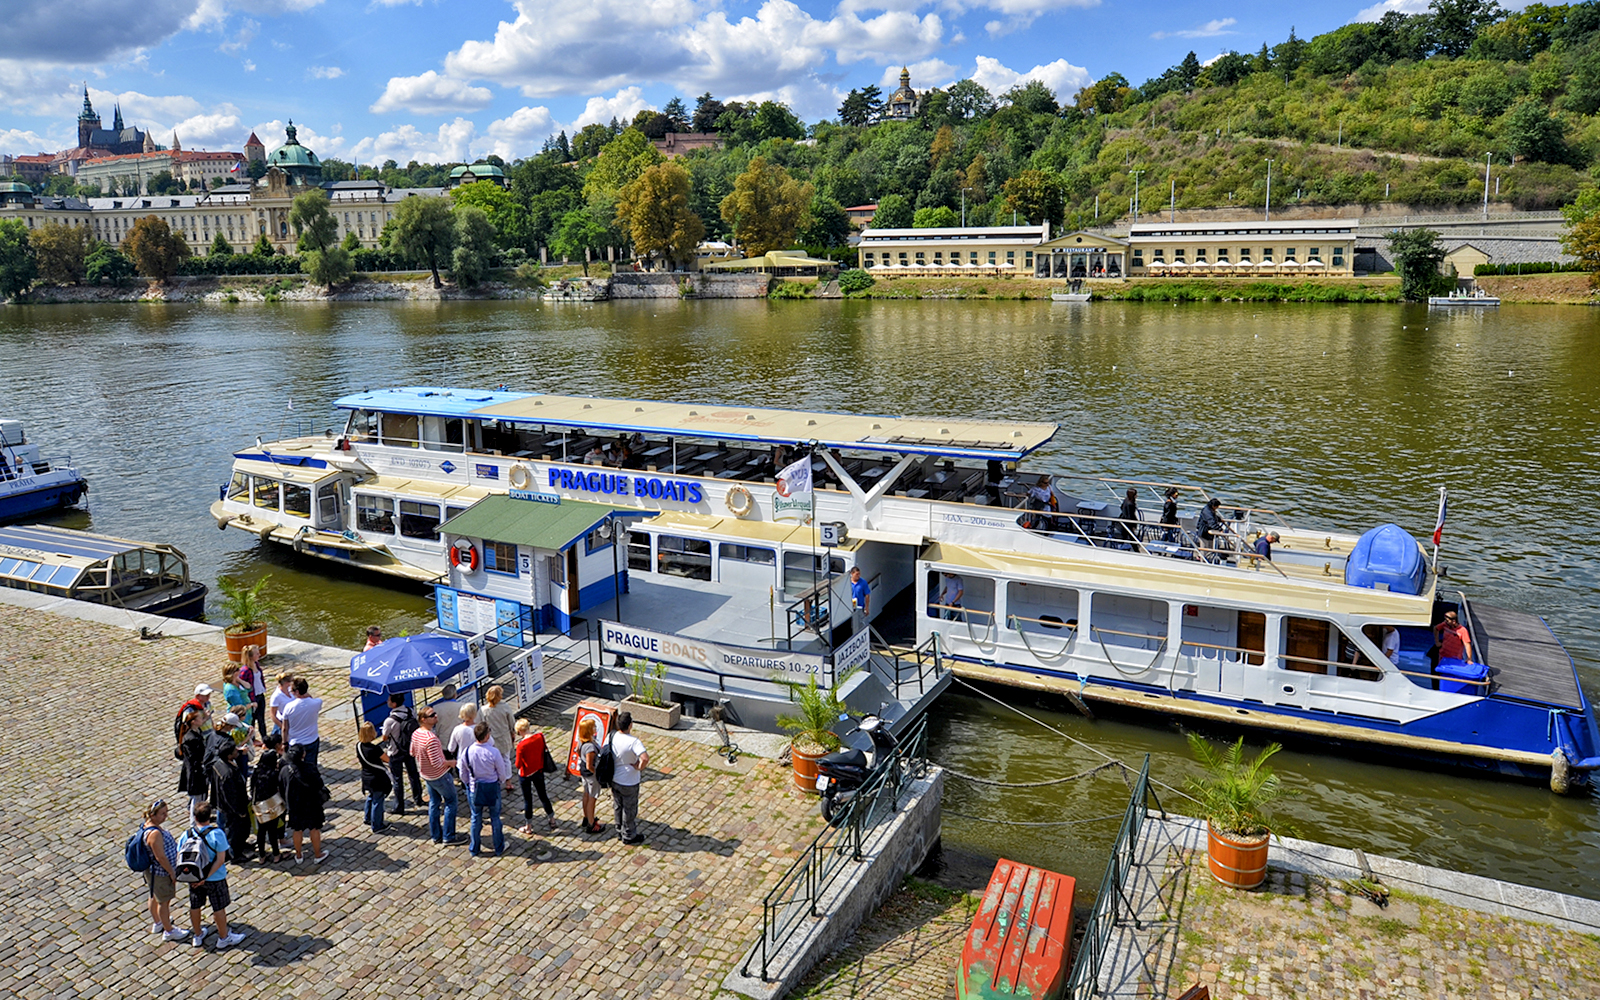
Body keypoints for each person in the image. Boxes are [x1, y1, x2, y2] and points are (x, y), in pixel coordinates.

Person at [182, 801, 245, 950]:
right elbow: (220, 860)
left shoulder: (186, 834)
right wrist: (206, 876)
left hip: (194, 878)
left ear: (195, 817)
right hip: (215, 878)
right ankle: (224, 937)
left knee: (195, 905)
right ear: (209, 817)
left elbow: (181, 856)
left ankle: (197, 935)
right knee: (218, 908)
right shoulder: (217, 834)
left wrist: (197, 878)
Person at [137, 800, 188, 941]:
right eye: (162, 814)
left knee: (154, 895)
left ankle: (158, 922)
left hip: (153, 872)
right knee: (164, 902)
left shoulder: (146, 826)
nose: (166, 816)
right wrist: (171, 872)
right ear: (153, 815)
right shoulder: (155, 834)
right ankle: (169, 930)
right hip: (161, 872)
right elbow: (160, 857)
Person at [412, 704, 460, 844]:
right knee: (451, 802)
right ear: (423, 719)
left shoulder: (416, 733)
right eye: (432, 715)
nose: (435, 716)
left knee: (434, 803)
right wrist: (451, 763)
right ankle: (449, 836)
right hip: (439, 776)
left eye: (435, 714)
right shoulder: (431, 739)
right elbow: (437, 763)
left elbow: (412, 752)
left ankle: (435, 835)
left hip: (427, 775)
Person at [463, 721, 511, 856]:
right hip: (491, 787)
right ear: (487, 736)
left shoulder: (467, 751)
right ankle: (499, 847)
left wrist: (468, 784)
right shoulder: (494, 752)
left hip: (475, 788)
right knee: (495, 817)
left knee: (475, 817)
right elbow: (501, 772)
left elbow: (463, 772)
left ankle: (475, 848)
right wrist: (501, 781)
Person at [279, 744, 328, 864]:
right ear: (303, 755)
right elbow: (319, 784)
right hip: (311, 803)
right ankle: (318, 854)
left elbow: (281, 787)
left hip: (295, 805)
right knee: (314, 828)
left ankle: (299, 855)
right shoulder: (310, 768)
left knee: (297, 830)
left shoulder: (285, 770)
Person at [380, 693, 425, 815]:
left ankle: (399, 806)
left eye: (389, 700)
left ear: (394, 704)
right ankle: (418, 798)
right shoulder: (410, 711)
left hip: (395, 751)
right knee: (413, 774)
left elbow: (384, 737)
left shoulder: (389, 721)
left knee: (397, 780)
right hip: (409, 748)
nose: (387, 701)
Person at [209, 742, 252, 865]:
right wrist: (239, 811)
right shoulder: (227, 773)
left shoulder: (218, 764)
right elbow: (230, 796)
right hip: (231, 809)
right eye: (234, 750)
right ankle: (235, 855)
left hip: (225, 805)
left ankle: (241, 845)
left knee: (238, 830)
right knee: (234, 831)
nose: (237, 751)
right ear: (229, 755)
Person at [610, 712, 648, 845]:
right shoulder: (634, 742)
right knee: (629, 809)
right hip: (629, 781)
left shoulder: (612, 736)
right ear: (630, 725)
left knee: (618, 805)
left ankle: (619, 829)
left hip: (614, 778)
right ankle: (629, 835)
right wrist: (639, 767)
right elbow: (645, 758)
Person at [514, 718, 557, 834]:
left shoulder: (521, 745)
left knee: (528, 800)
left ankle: (528, 826)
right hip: (538, 770)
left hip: (526, 774)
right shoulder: (540, 737)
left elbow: (518, 764)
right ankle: (552, 819)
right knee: (543, 795)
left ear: (520, 731)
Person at [252, 734, 285, 862]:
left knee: (261, 832)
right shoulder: (273, 774)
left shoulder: (257, 771)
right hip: (271, 804)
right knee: (272, 831)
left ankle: (262, 856)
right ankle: (276, 855)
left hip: (258, 804)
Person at [174, 709, 209, 825]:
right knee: (196, 799)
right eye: (200, 718)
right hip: (195, 773)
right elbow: (194, 759)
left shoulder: (196, 731)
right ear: (193, 722)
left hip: (199, 770)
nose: (202, 720)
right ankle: (193, 823)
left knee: (202, 796)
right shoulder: (190, 738)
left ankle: (200, 817)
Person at [356, 721, 392, 833]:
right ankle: (377, 825)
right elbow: (387, 759)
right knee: (378, 800)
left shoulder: (359, 746)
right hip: (377, 778)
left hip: (366, 776)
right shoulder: (374, 749)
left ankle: (368, 818)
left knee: (371, 797)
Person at [279, 677, 323, 768]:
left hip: (296, 742)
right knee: (311, 766)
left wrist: (284, 742)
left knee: (296, 767)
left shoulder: (289, 707)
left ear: (297, 692)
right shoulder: (317, 703)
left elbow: (285, 728)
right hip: (312, 739)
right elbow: (310, 697)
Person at [576, 716, 605, 835]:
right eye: (593, 727)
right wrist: (597, 774)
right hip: (590, 775)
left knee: (586, 794)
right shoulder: (590, 747)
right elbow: (589, 765)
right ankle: (591, 824)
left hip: (583, 773)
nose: (595, 728)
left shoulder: (581, 741)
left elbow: (577, 751)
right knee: (592, 798)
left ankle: (586, 817)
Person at [480, 685, 517, 770]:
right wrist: (513, 732)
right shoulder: (505, 707)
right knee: (506, 759)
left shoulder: (483, 710)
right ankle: (507, 778)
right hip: (504, 736)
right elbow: (511, 721)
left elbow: (481, 724)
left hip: (490, 737)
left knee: (493, 760)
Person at [237, 646, 268, 741]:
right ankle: (252, 738)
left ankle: (264, 738)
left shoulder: (256, 665)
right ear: (250, 656)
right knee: (252, 719)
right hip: (252, 697)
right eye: (257, 654)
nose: (259, 655)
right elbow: (240, 685)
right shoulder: (245, 670)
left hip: (260, 694)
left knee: (261, 719)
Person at [447, 702, 480, 782]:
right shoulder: (479, 729)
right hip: (477, 760)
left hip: (462, 760)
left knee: (465, 783)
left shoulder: (457, 729)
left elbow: (451, 748)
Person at [222, 663, 252, 733]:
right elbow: (239, 707)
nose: (240, 670)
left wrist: (239, 680)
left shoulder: (236, 681)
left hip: (246, 714)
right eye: (237, 669)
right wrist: (252, 704)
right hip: (239, 716)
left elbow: (249, 688)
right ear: (233, 673)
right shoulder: (230, 689)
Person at [268, 671, 295, 739]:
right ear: (286, 683)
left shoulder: (290, 690)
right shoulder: (276, 696)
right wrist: (282, 726)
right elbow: (272, 715)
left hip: (293, 720)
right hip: (283, 721)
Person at [848, 566, 871, 636]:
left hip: (859, 606)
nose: (858, 576)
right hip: (849, 607)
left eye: (859, 574)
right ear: (852, 574)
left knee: (860, 623)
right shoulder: (848, 582)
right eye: (856, 574)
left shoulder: (863, 582)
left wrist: (866, 608)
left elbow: (867, 595)